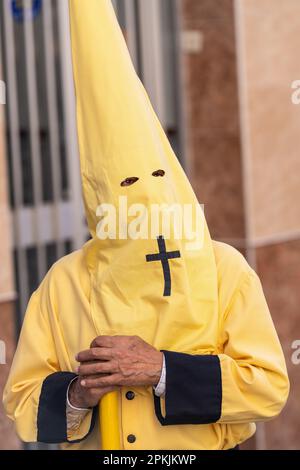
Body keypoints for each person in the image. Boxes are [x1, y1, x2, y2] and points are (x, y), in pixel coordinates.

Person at [3, 0, 289, 450]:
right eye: (123, 187)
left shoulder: (223, 269)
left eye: (155, 181)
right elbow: (21, 406)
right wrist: (79, 394)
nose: (141, 199)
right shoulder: (65, 282)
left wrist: (161, 370)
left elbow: (268, 387)